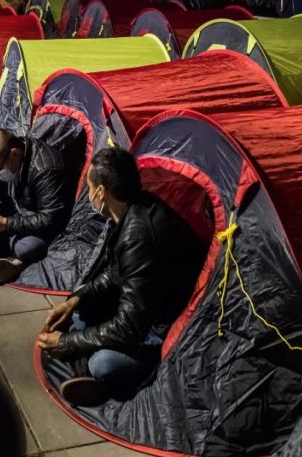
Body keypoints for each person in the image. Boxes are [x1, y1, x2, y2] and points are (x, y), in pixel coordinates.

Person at [37, 149, 208, 406]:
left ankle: (101, 374)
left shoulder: (138, 235)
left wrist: (68, 343)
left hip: (161, 328)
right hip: (142, 305)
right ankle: (87, 362)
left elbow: (131, 325)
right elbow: (116, 273)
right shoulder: (134, 209)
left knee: (102, 364)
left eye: (90, 188)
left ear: (101, 192)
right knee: (82, 302)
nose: (89, 195)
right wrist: (74, 300)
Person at [0, 129, 72, 283]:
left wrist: (6, 223)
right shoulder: (7, 161)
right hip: (17, 215)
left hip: (39, 226)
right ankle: (2, 258)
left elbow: (50, 219)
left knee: (27, 247)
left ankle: (6, 257)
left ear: (14, 154)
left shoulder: (45, 169)